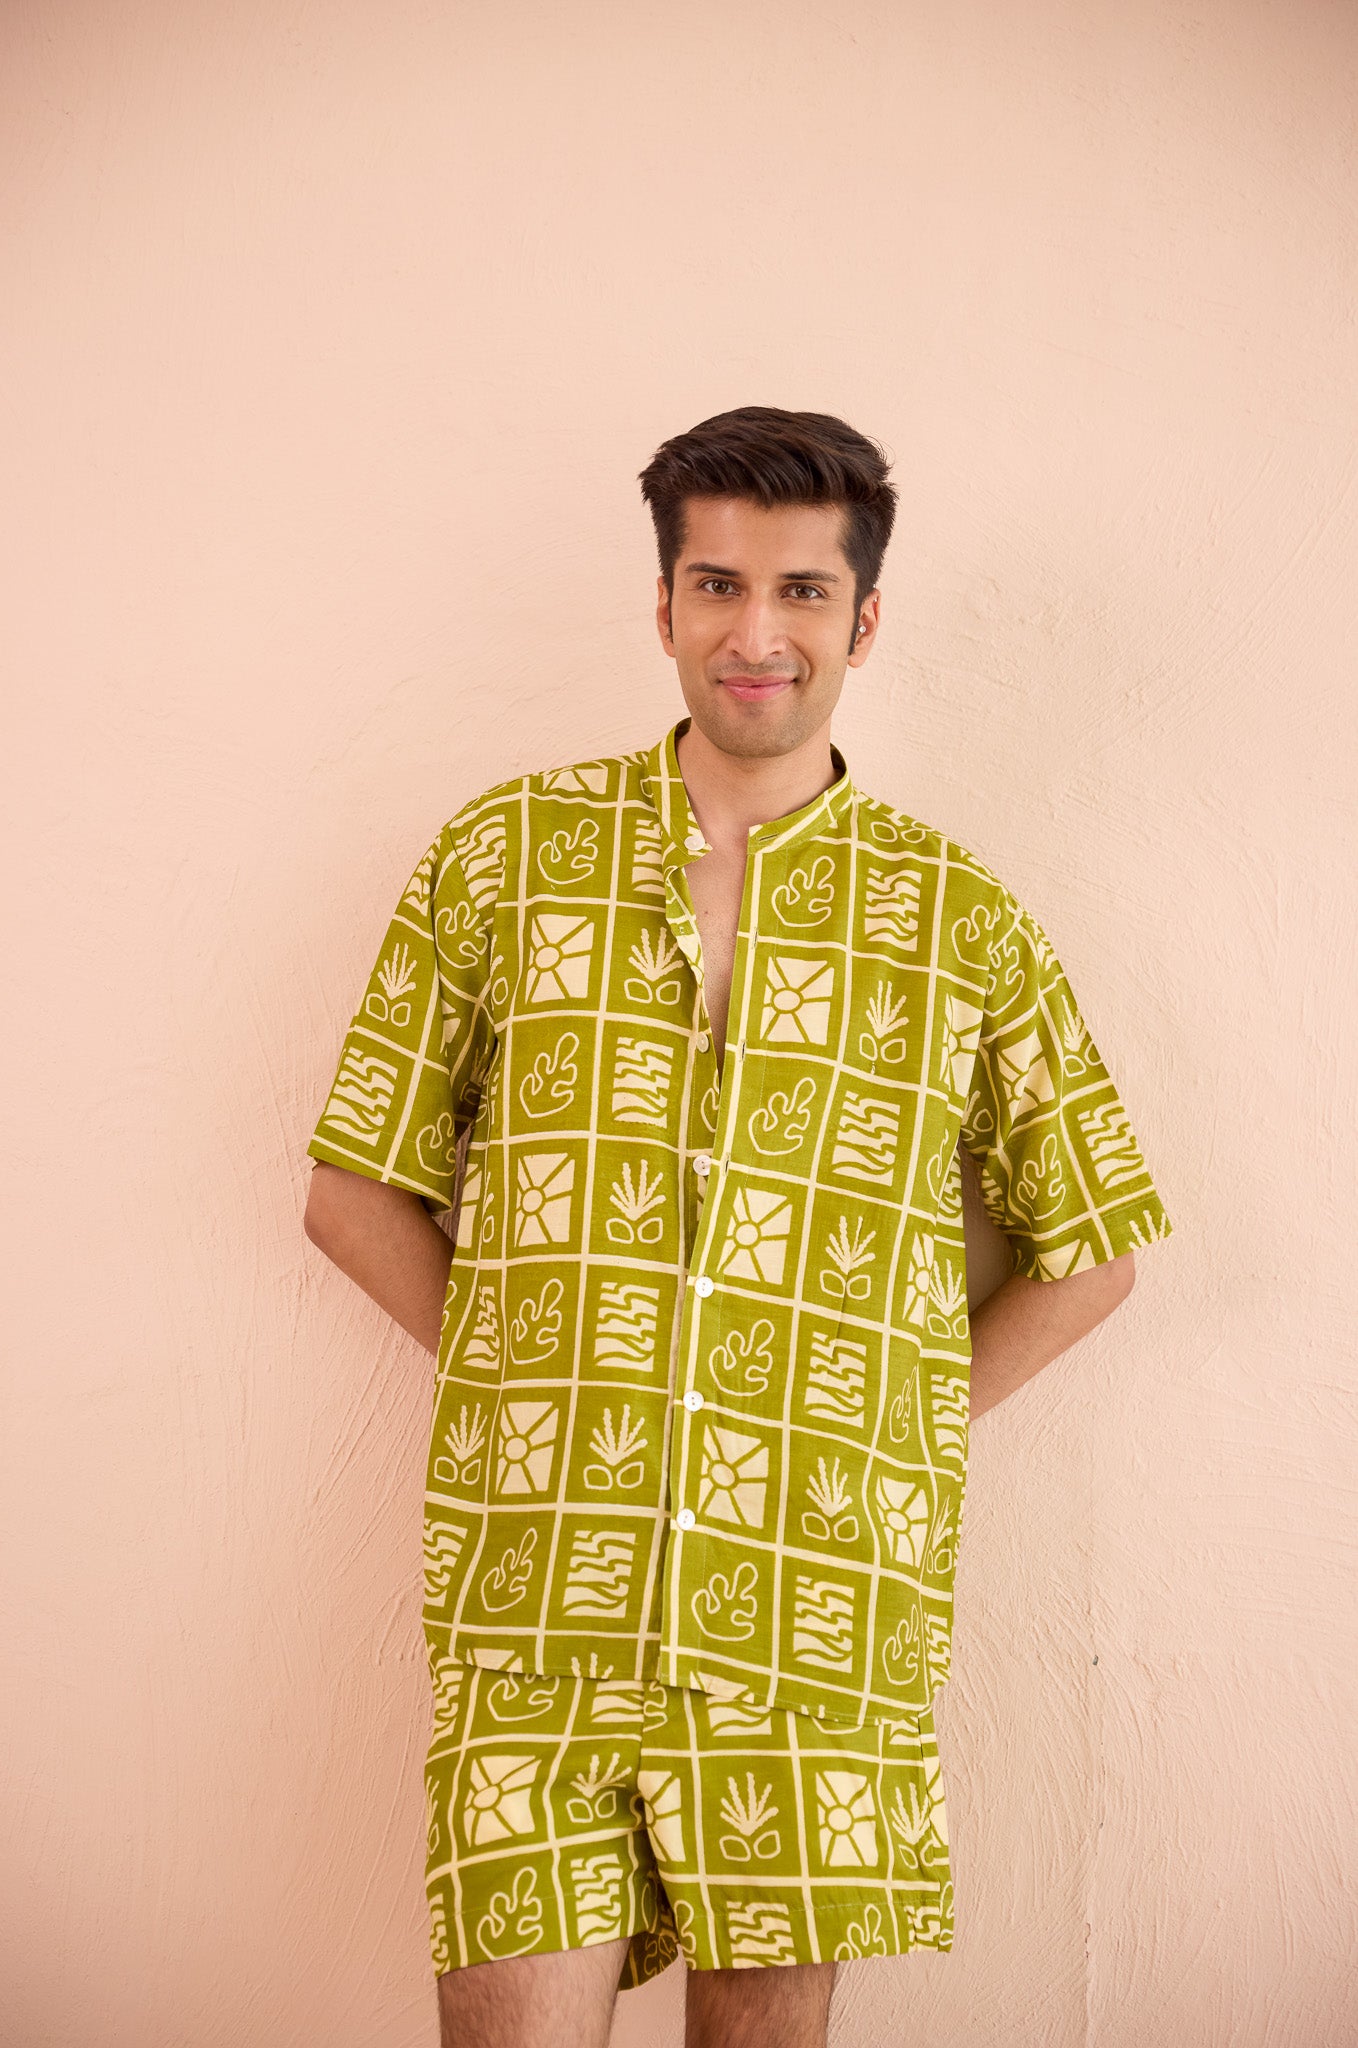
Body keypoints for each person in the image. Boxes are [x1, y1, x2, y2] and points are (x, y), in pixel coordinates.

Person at [302, 405, 1175, 2048]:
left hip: (812, 1613)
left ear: (863, 620)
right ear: (663, 604)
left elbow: (1094, 1246)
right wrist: (529, 1373)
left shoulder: (956, 922)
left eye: (798, 590)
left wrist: (882, 1421)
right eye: (715, 584)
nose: (753, 632)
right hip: (534, 1595)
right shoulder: (504, 858)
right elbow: (353, 1187)